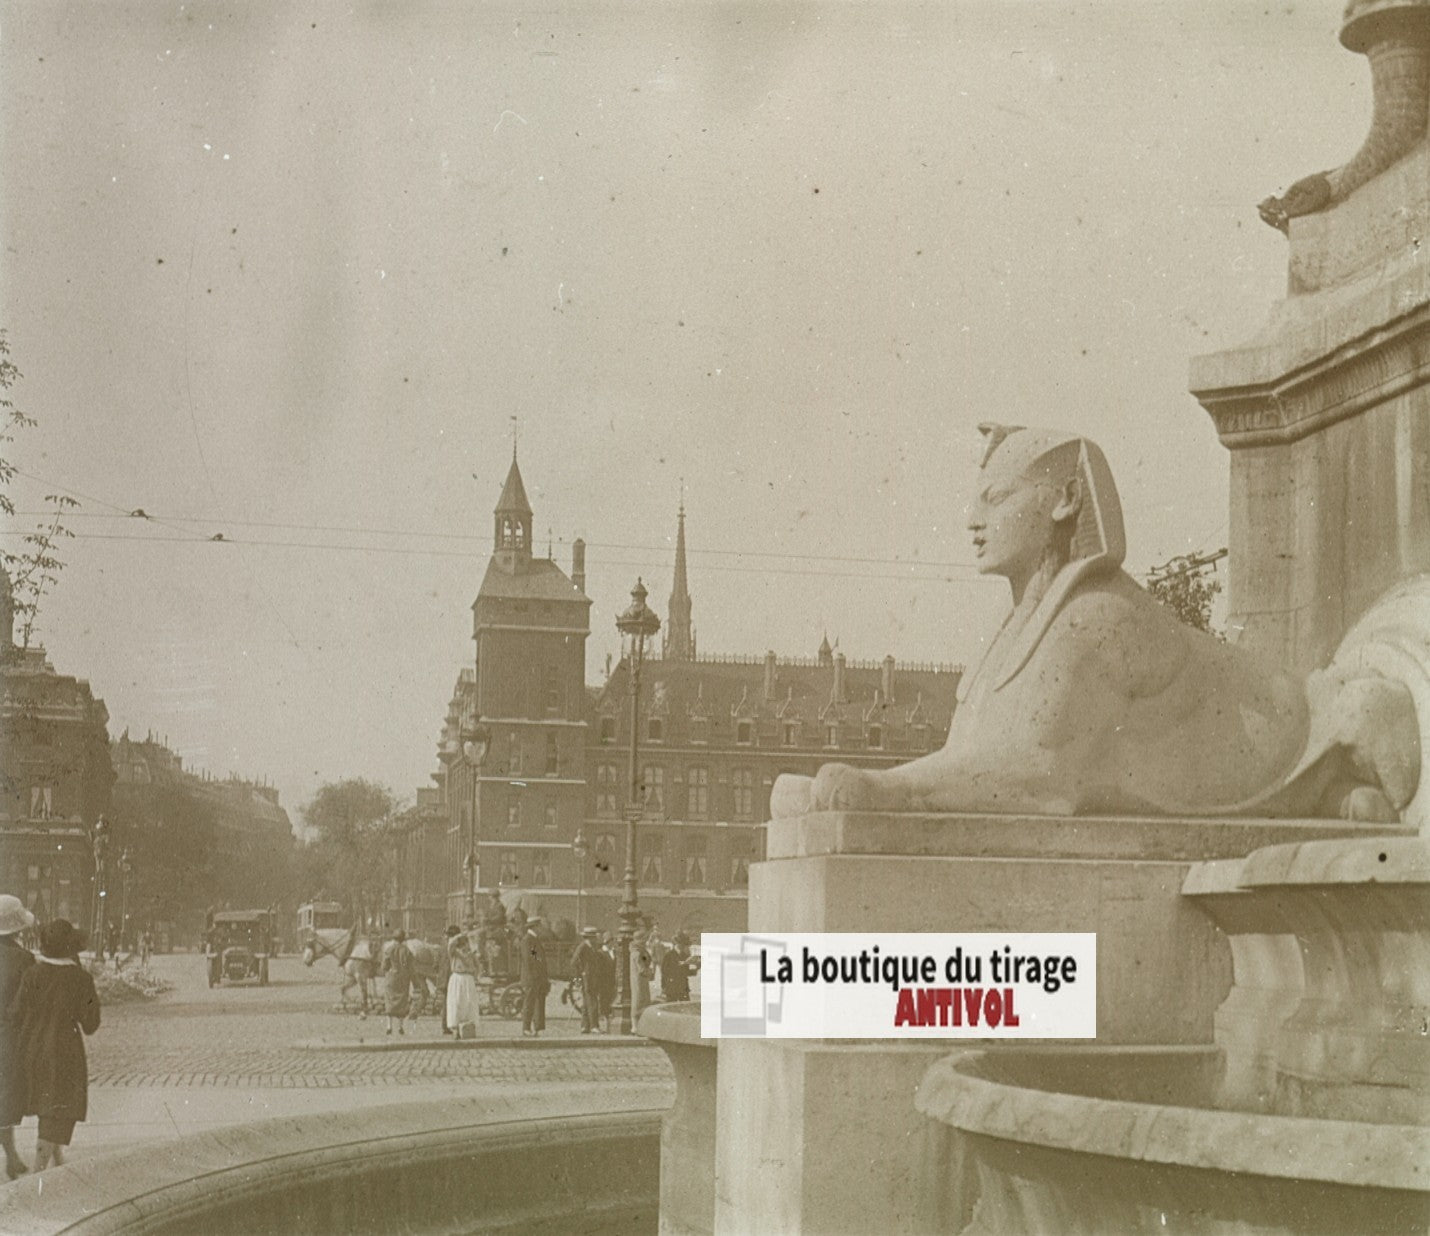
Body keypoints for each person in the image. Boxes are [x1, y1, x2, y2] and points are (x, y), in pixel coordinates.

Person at [772, 423, 1418, 824]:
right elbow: (975, 759)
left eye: (996, 499)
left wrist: (890, 793)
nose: (973, 519)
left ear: (1064, 500)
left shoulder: (1101, 616)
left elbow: (1039, 778)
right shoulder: (1033, 622)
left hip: (1310, 730)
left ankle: (1328, 783)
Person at [12, 919, 101, 1171]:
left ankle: (56, 1158)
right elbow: (91, 1024)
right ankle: (38, 1170)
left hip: (32, 1048)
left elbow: (17, 1012)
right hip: (64, 1051)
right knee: (59, 1105)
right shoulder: (80, 978)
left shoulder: (33, 974)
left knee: (46, 1103)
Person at [0, 895, 36, 1179]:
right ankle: (11, 1157)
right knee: (6, 1097)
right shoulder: (25, 959)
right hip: (10, 1037)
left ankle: (11, 1156)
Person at [445, 925, 480, 1040]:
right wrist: (458, 936)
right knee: (456, 1003)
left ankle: (468, 1027)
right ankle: (455, 1029)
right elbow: (450, 945)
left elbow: (477, 964)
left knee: (469, 1003)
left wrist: (476, 974)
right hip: (457, 977)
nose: (465, 944)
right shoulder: (454, 952)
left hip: (468, 978)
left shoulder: (470, 952)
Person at [519, 920, 549, 1037]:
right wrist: (537, 974)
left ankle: (537, 1028)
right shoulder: (528, 940)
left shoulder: (534, 939)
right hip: (531, 977)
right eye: (540, 926)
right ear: (535, 927)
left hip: (537, 976)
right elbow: (529, 959)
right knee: (529, 1001)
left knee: (536, 1002)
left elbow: (536, 957)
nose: (541, 928)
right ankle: (526, 1028)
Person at [381, 930, 414, 1036]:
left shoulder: (389, 950)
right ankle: (400, 1026)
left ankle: (389, 1026)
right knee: (402, 1002)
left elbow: (384, 967)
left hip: (391, 978)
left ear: (394, 939)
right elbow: (411, 966)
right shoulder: (407, 950)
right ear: (403, 939)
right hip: (403, 979)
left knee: (389, 1001)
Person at [570, 928, 602, 1034]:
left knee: (587, 1001)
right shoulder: (583, 947)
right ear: (590, 937)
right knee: (592, 1001)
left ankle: (584, 1026)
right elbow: (574, 961)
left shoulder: (591, 947)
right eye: (594, 937)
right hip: (587, 978)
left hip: (593, 977)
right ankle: (594, 1026)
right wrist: (580, 973)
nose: (596, 939)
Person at [660, 933, 695, 1002]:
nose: (684, 946)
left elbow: (686, 972)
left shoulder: (685, 955)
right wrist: (664, 986)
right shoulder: (668, 955)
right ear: (677, 944)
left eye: (685, 944)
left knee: (685, 1006)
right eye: (683, 944)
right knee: (671, 1006)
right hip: (671, 986)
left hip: (683, 985)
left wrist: (696, 968)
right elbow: (664, 971)